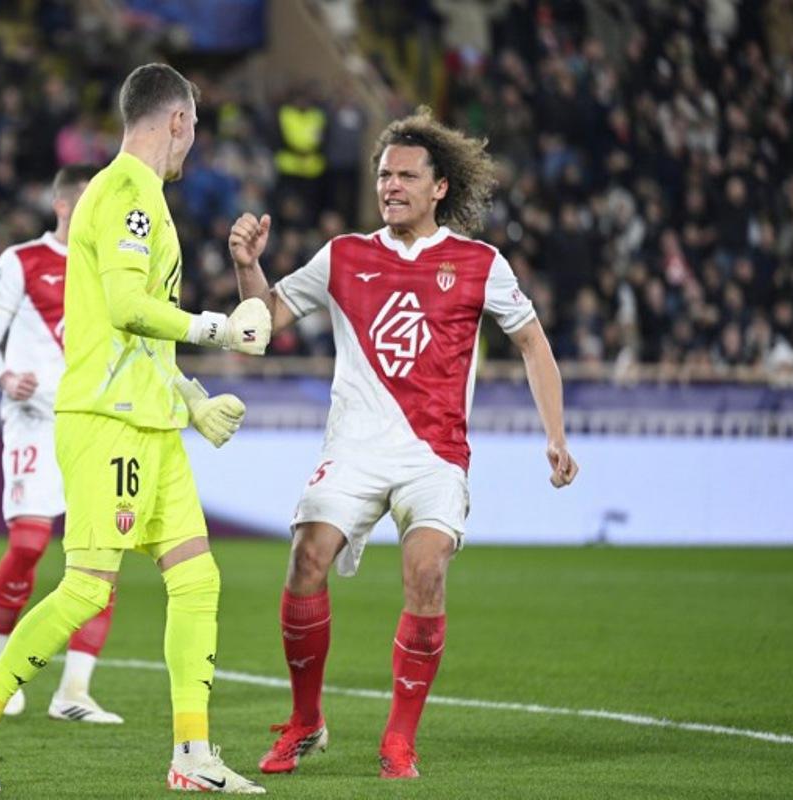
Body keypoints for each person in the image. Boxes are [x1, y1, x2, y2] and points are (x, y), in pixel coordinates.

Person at [0, 63, 271, 795]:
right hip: (107, 424)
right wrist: (218, 327)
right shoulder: (126, 195)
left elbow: (142, 338)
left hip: (153, 423)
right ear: (178, 121)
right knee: (88, 588)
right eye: (193, 130)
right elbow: (124, 305)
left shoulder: (143, 197)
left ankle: (192, 755)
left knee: (197, 579)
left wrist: (189, 397)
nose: (192, 144)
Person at [228, 108, 579, 780]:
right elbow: (262, 321)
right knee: (307, 556)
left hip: (434, 452)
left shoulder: (480, 264)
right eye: (384, 175)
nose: (391, 186)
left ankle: (399, 740)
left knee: (426, 571)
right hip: (356, 446)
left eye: (405, 176)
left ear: (438, 187)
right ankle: (305, 722)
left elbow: (533, 343)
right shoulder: (344, 255)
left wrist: (555, 436)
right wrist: (249, 267)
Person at [0, 164, 122, 723]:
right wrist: (6, 379)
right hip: (35, 419)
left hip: (97, 423)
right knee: (30, 544)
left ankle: (73, 692)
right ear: (62, 205)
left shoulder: (113, 268)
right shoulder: (21, 261)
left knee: (102, 558)